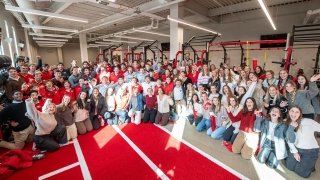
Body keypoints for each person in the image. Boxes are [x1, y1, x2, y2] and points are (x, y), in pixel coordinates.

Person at [285, 106, 320, 178]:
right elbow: (289, 140)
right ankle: (308, 164)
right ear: (289, 112)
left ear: (300, 114)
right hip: (297, 149)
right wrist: (294, 152)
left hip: (310, 150)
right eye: (292, 111)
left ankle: (311, 163)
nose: (294, 113)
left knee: (302, 173)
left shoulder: (308, 121)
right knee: (289, 167)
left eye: (297, 112)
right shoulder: (288, 123)